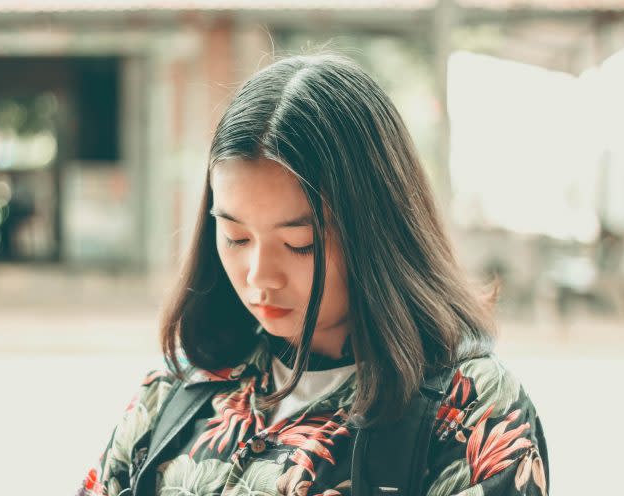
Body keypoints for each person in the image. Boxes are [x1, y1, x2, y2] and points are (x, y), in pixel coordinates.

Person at [78, 54, 548, 496]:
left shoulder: (469, 410)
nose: (260, 276)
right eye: (237, 238)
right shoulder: (178, 386)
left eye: (300, 244)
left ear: (379, 231)